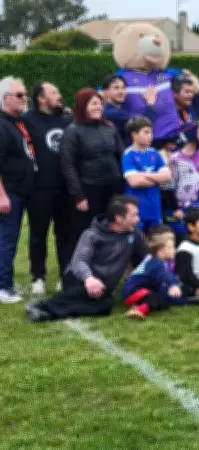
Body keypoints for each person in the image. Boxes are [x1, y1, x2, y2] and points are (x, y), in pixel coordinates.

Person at [25, 196, 148, 320]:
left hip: (103, 287)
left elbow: (144, 259)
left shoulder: (135, 235)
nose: (138, 219)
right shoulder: (91, 234)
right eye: (134, 215)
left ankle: (45, 309)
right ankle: (46, 309)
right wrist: (89, 278)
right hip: (79, 277)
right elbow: (79, 261)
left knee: (106, 305)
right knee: (84, 294)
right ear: (118, 218)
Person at [22, 81, 73, 295]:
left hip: (65, 187)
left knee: (65, 234)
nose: (59, 95)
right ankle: (38, 277)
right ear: (41, 98)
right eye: (54, 92)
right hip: (39, 188)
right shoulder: (26, 120)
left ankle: (65, 275)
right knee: (38, 234)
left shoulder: (67, 118)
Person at [60, 87, 125, 258]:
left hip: (111, 189)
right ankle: (76, 273)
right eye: (93, 103)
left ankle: (104, 270)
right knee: (84, 234)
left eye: (100, 104)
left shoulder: (109, 128)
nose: (98, 107)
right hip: (88, 190)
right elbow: (68, 165)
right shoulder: (73, 130)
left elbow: (121, 155)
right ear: (83, 106)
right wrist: (78, 195)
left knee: (109, 230)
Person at [0, 76, 35, 303]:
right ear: (5, 99)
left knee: (10, 238)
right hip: (9, 191)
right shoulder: (2, 125)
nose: (25, 99)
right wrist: (1, 195)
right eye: (20, 95)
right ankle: (4, 287)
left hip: (20, 190)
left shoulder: (16, 122)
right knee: (7, 239)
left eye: (25, 95)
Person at [121, 226, 183, 320]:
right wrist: (173, 285)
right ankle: (139, 310)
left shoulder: (155, 260)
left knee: (163, 303)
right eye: (171, 247)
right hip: (133, 291)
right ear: (161, 252)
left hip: (137, 291)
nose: (174, 249)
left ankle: (137, 304)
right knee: (157, 298)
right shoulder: (156, 263)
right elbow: (165, 275)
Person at [122, 117, 172, 233]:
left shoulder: (154, 153)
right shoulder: (128, 154)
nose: (151, 136)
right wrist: (157, 177)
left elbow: (167, 177)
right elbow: (134, 182)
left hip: (154, 208)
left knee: (156, 242)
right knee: (138, 244)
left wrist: (143, 175)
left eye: (151, 132)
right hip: (136, 210)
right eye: (146, 132)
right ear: (134, 135)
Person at [101, 75, 157, 147]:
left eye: (123, 88)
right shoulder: (111, 113)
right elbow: (144, 124)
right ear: (105, 92)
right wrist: (150, 102)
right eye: (116, 88)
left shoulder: (119, 109)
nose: (121, 91)